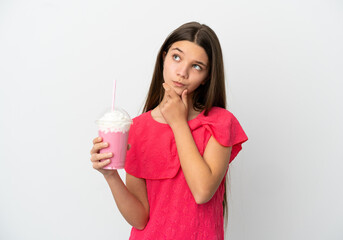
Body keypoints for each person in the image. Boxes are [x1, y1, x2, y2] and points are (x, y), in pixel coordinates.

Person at [90, 21, 248, 240]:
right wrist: (111, 176)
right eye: (176, 57)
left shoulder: (220, 123)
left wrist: (178, 123)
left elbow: (203, 192)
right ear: (163, 58)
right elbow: (140, 219)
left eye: (196, 66)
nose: (182, 72)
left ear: (206, 78)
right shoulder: (137, 128)